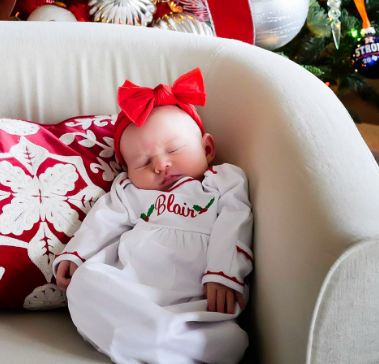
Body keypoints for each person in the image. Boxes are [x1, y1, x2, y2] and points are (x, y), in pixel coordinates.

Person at [54, 68, 253, 364]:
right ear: (128, 173)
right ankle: (164, 345)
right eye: (143, 162)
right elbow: (104, 218)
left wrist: (224, 272)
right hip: (131, 286)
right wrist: (76, 255)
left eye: (173, 149)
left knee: (227, 338)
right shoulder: (131, 192)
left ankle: (158, 342)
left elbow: (234, 221)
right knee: (83, 285)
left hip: (196, 291)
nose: (161, 165)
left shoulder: (221, 182)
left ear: (207, 148)